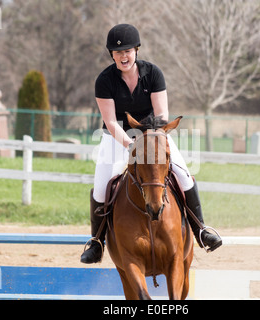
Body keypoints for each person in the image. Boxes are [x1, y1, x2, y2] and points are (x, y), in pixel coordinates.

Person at [80, 24, 222, 264]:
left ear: (136, 50)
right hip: (117, 138)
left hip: (155, 135)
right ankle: (97, 242)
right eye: (118, 53)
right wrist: (131, 145)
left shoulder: (153, 73)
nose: (123, 56)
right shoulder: (104, 80)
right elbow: (111, 122)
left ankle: (200, 230)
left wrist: (149, 141)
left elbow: (162, 114)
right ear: (111, 55)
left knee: (183, 175)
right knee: (102, 184)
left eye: (127, 51)